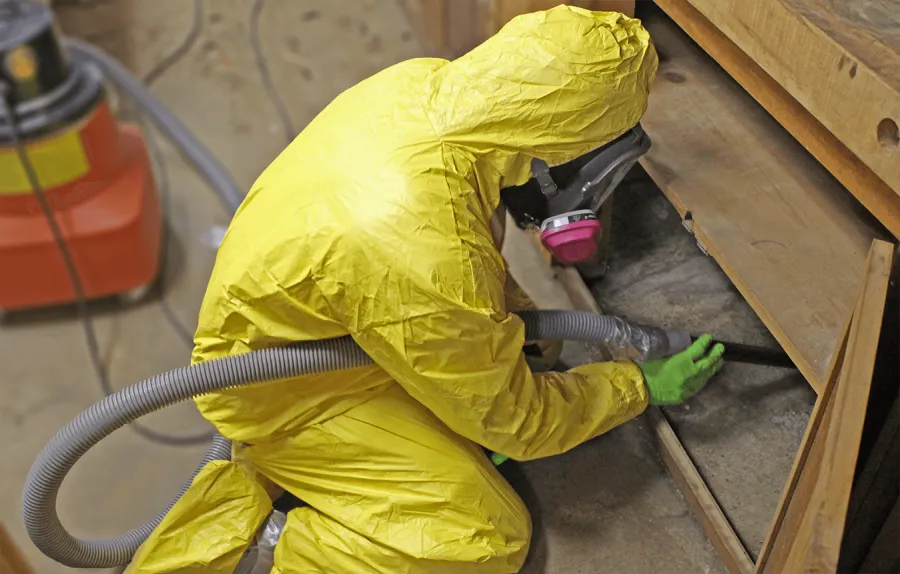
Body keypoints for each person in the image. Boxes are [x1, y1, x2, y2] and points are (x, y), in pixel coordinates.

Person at [127, 6, 723, 573]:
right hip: (296, 395)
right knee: (482, 536)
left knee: (530, 352)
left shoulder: (426, 89)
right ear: (549, 147)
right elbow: (518, 424)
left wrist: (506, 326)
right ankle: (282, 540)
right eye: (589, 165)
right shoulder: (425, 251)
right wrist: (635, 386)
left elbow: (461, 246)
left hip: (324, 323)